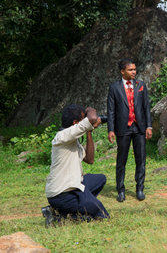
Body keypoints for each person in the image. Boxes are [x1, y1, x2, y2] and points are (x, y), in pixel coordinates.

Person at [42, 105, 109, 227]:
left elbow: (90, 159)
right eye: (83, 120)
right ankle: (61, 217)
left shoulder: (73, 140)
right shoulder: (63, 136)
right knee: (101, 214)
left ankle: (69, 209)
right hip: (61, 193)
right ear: (75, 123)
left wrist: (89, 131)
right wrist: (89, 110)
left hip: (74, 186)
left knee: (100, 179)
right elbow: (92, 117)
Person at [107, 58, 152, 202]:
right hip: (123, 128)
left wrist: (149, 126)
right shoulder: (114, 87)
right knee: (121, 160)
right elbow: (111, 110)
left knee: (141, 159)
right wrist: (111, 129)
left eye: (134, 69)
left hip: (139, 128)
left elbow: (146, 107)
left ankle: (140, 189)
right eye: (130, 70)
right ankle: (120, 190)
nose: (134, 72)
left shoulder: (141, 85)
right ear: (122, 71)